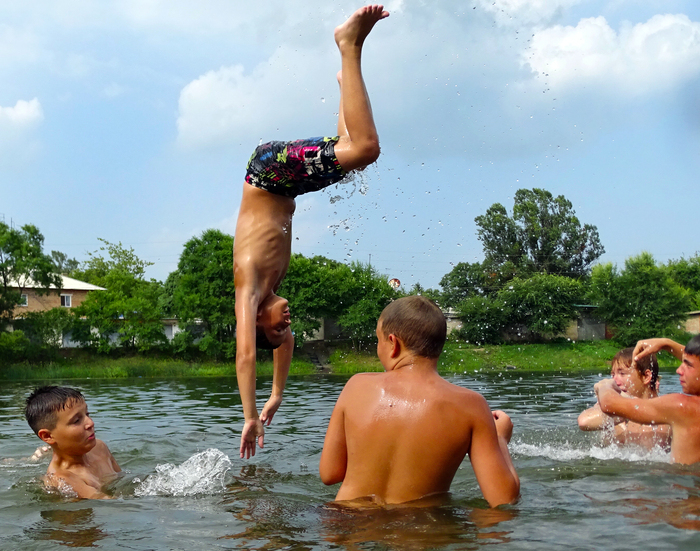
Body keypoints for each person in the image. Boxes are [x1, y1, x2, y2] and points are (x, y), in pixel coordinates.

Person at [233, 5, 389, 459]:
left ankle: (348, 47)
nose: (286, 324)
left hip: (268, 174)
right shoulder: (270, 295)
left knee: (362, 149)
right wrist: (278, 394)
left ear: (257, 321)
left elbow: (247, 356)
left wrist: (248, 414)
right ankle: (346, 85)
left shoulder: (249, 286)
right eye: (285, 329)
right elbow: (285, 345)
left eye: (275, 327)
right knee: (351, 159)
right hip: (283, 183)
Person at [319, 296, 520, 507]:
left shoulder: (356, 386)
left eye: (378, 341)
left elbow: (329, 473)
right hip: (419, 534)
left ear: (393, 343)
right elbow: (503, 500)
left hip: (348, 527)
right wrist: (499, 439)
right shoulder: (471, 405)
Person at [595, 335, 700, 464]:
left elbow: (609, 404)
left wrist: (605, 385)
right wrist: (666, 344)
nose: (679, 370)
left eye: (688, 366)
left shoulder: (682, 406)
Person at [25, 386, 121, 499]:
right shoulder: (63, 479)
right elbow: (111, 504)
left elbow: (123, 481)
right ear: (47, 436)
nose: (90, 423)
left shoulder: (100, 448)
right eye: (76, 420)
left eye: (87, 414)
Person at [578, 348, 671, 449]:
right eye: (613, 375)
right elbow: (584, 422)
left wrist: (604, 386)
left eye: (622, 374)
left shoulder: (667, 415)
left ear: (646, 377)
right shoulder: (621, 419)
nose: (614, 381)